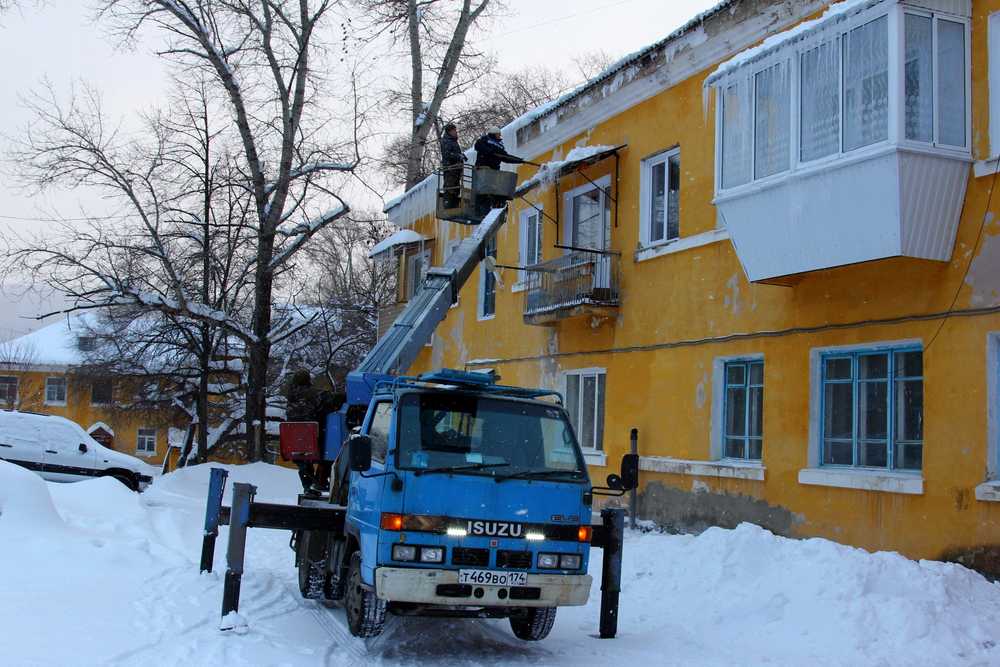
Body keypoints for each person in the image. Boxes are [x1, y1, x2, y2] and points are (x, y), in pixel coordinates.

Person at [439, 122, 465, 208]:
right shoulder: (446, 141)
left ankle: (454, 205)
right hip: (450, 168)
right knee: (450, 187)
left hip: (456, 169)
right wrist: (458, 156)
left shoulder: (453, 141)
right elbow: (447, 154)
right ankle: (448, 205)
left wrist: (461, 157)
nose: (456, 132)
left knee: (456, 188)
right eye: (454, 130)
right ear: (449, 132)